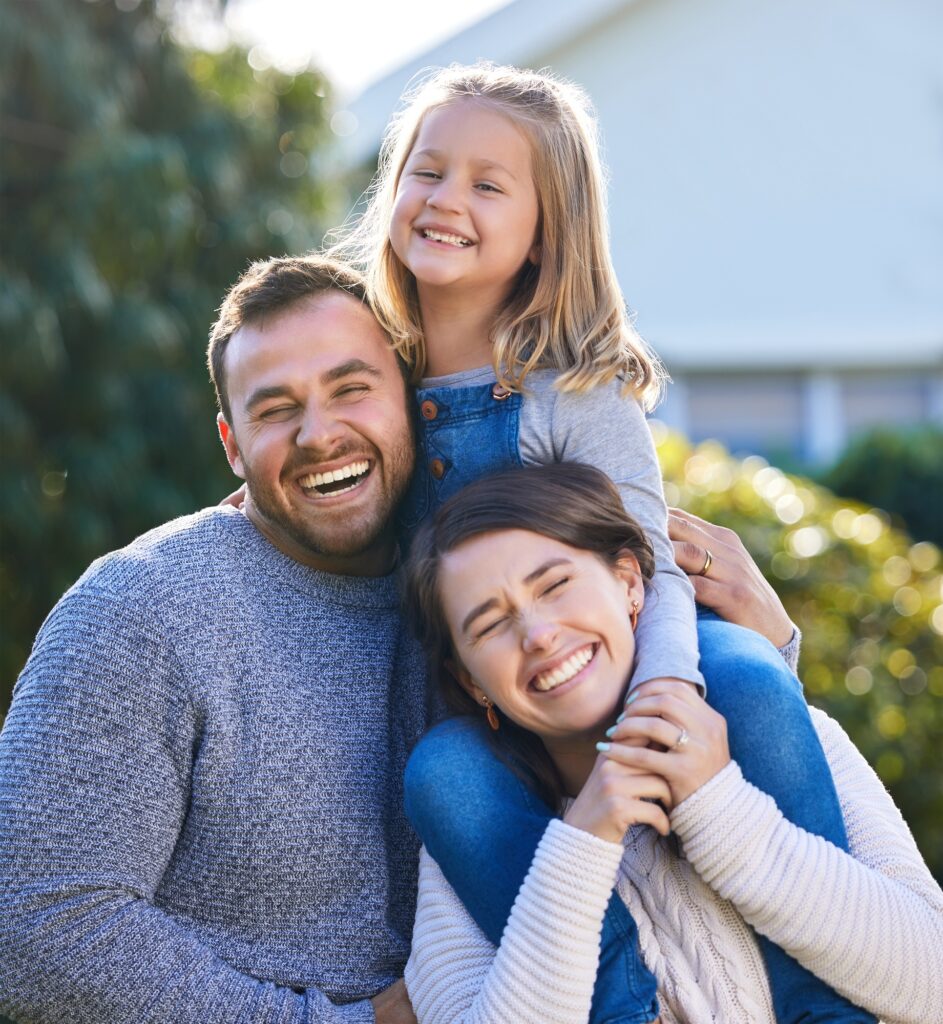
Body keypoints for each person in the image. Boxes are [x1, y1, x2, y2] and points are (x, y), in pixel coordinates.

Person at [335, 62, 870, 1022]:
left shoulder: (574, 391)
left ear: (546, 235)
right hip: (498, 699)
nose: (446, 199)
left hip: (626, 657)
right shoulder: (370, 386)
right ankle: (623, 1002)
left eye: (488, 185)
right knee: (441, 775)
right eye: (428, 170)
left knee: (745, 673)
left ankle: (822, 1002)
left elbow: (652, 562)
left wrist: (667, 686)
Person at [0, 255, 424, 1024]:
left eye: (351, 388)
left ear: (411, 402)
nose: (320, 434)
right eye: (275, 409)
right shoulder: (141, 610)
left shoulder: (481, 593)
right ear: (232, 443)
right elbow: (32, 927)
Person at [401, 462, 943, 1024]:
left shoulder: (792, 738)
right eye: (490, 625)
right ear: (471, 681)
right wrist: (582, 845)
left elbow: (934, 981)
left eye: (556, 585)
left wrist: (723, 811)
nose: (538, 635)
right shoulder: (467, 842)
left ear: (630, 583)